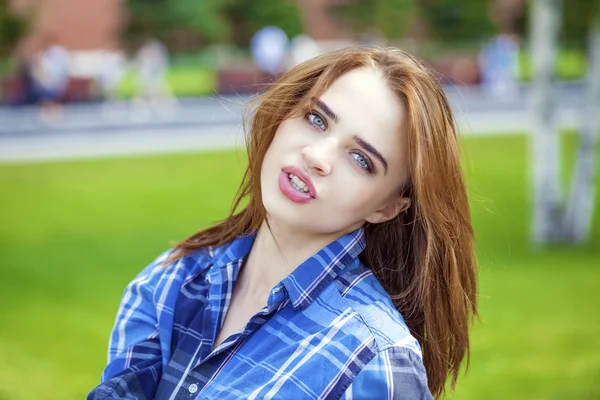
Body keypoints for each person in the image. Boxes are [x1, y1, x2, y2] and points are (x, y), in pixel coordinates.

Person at [87, 47, 478, 400]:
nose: (317, 155)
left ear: (388, 207)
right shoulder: (172, 280)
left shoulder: (374, 360)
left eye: (361, 160)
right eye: (316, 119)